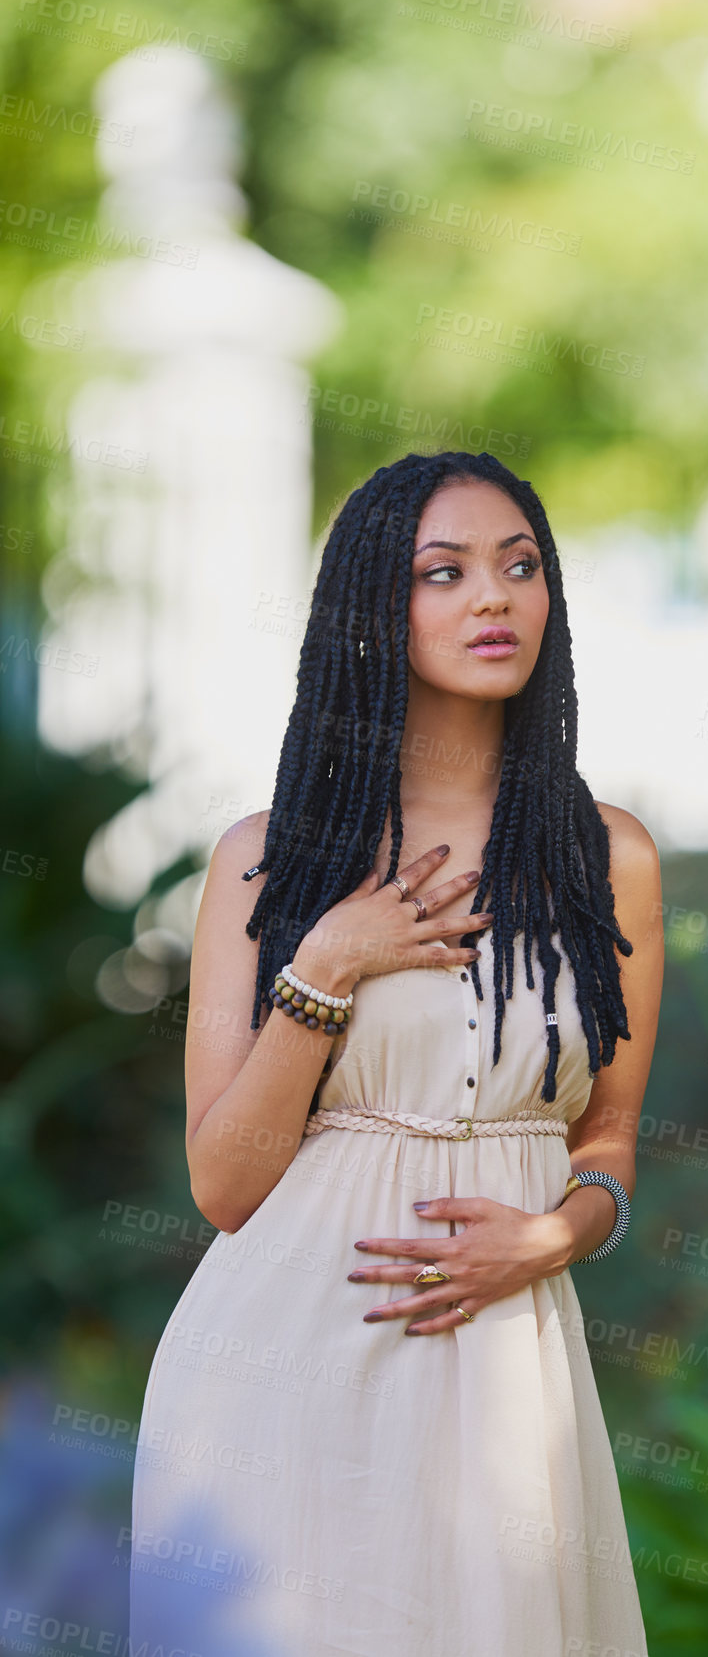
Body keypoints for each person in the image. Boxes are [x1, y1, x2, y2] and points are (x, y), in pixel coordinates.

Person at [128, 450, 664, 1657]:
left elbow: (611, 1136)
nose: (496, 597)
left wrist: (550, 1237)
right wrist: (329, 962)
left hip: (507, 1376)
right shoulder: (265, 862)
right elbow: (225, 1185)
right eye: (447, 572)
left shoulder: (607, 859)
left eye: (521, 566)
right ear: (374, 612)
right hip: (281, 1372)